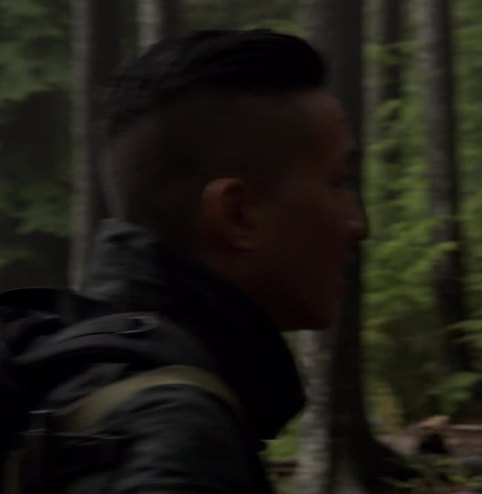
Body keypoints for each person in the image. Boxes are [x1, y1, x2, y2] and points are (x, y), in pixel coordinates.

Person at [1, 29, 367, 493]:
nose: (358, 224)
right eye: (338, 182)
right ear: (238, 216)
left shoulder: (75, 373)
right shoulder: (176, 437)